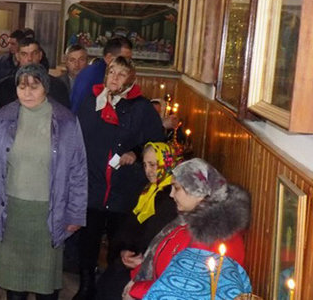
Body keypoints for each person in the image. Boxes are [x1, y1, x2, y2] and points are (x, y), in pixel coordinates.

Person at [0, 64, 87, 300]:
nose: (27, 92)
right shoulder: (4, 116)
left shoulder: (65, 121)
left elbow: (78, 170)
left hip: (47, 214)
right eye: (22, 86)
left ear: (45, 87)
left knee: (46, 286)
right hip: (12, 211)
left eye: (34, 87)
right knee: (14, 285)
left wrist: (75, 213)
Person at [74, 56, 165, 300]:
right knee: (88, 240)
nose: (114, 78)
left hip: (123, 188)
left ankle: (112, 289)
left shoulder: (141, 108)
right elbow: (77, 137)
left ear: (130, 79)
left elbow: (157, 142)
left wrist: (135, 153)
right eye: (111, 72)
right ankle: (86, 286)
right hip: (92, 184)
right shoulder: (91, 102)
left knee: (120, 242)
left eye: (121, 74)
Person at [123, 158, 250, 299]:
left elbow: (186, 290)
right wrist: (141, 269)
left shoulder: (213, 238)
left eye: (176, 188)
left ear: (198, 192)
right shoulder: (188, 220)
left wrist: (136, 290)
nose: (171, 194)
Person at [94, 142, 180, 300]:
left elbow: (155, 235)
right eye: (145, 165)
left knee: (111, 287)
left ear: (166, 163)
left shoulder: (170, 195)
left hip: (149, 264)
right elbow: (131, 224)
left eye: (153, 165)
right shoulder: (149, 189)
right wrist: (123, 250)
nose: (148, 171)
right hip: (134, 256)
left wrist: (136, 256)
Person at [0, 38, 70, 114]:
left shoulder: (57, 86)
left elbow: (63, 116)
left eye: (34, 53)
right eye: (24, 54)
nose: (29, 59)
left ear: (40, 55)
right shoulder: (3, 87)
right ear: (17, 56)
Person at [69, 36, 133, 114]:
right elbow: (79, 109)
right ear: (109, 57)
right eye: (123, 59)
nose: (127, 63)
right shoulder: (91, 76)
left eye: (129, 60)